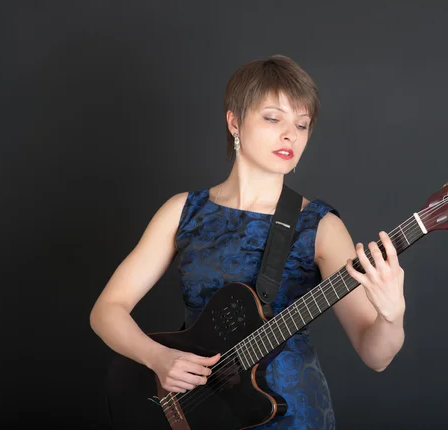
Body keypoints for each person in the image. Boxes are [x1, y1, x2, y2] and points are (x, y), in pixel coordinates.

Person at [90, 54, 406, 429]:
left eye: (302, 125)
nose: (290, 134)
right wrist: (158, 358)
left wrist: (391, 315)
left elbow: (376, 356)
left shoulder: (320, 225)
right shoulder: (183, 211)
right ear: (234, 121)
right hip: (198, 413)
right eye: (273, 118)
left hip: (292, 416)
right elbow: (106, 310)